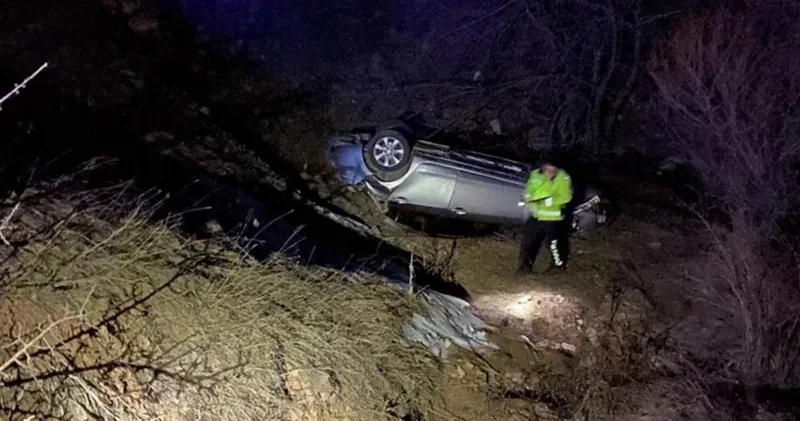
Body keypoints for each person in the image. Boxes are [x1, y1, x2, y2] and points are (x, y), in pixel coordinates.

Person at [517, 158, 573, 274]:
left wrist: (549, 201)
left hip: (553, 217)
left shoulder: (563, 177)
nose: (551, 173)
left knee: (553, 243)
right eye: (548, 170)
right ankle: (525, 266)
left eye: (553, 170)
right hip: (536, 216)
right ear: (542, 169)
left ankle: (558, 266)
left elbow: (566, 197)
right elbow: (530, 189)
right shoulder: (535, 175)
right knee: (528, 241)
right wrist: (528, 197)